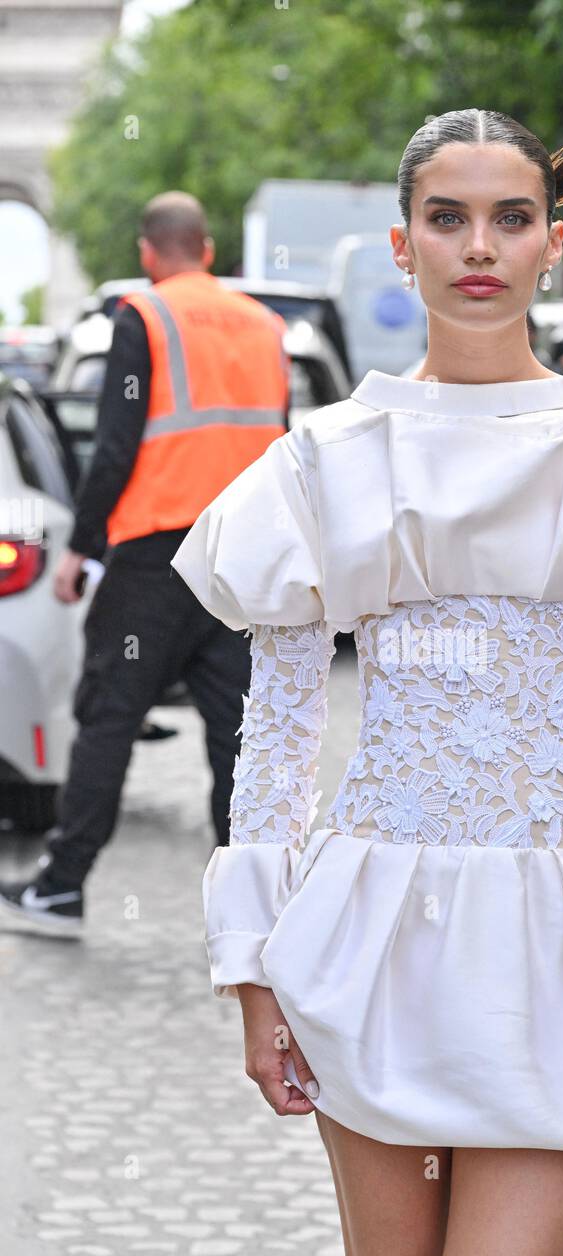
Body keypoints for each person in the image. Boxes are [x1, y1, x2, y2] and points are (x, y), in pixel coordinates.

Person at [169, 111, 563, 1256]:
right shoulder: (329, 460)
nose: (477, 247)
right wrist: (252, 978)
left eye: (509, 219)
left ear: (553, 243)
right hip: (370, 938)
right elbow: (276, 748)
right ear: (403, 245)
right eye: (446, 219)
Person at [0, 191, 289, 936]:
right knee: (239, 730)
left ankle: (62, 889)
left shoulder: (146, 317)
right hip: (244, 558)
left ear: (147, 254)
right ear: (210, 249)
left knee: (109, 716)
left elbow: (118, 445)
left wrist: (82, 549)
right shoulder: (265, 325)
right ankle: (252, 907)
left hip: (159, 557)